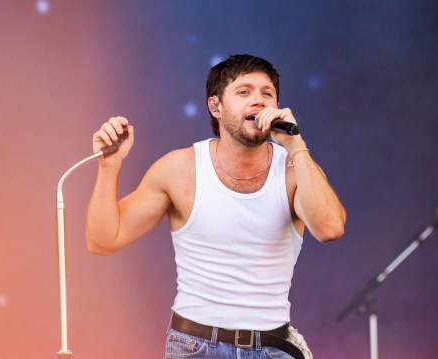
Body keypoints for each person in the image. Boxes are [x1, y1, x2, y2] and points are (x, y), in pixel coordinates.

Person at [86, 54, 346, 358]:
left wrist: (296, 145)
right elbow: (103, 241)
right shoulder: (179, 169)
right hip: (195, 346)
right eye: (244, 92)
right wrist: (109, 166)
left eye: (267, 93)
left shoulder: (295, 168)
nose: (259, 101)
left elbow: (330, 228)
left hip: (273, 347)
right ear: (215, 107)